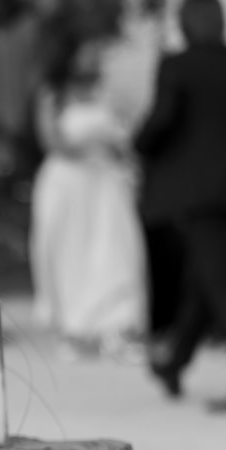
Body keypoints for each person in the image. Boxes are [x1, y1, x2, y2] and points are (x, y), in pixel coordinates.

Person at [135, 0, 226, 410]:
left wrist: (140, 144)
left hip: (197, 192)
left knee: (222, 283)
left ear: (186, 23)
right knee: (203, 279)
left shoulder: (178, 66)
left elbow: (161, 121)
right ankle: (175, 363)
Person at [29, 41, 148, 358]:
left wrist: (114, 150)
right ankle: (76, 330)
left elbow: (127, 137)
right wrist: (91, 144)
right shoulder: (53, 94)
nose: (95, 59)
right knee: (70, 255)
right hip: (68, 185)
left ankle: (117, 326)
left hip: (104, 186)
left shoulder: (109, 93)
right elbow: (51, 140)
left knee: (115, 253)